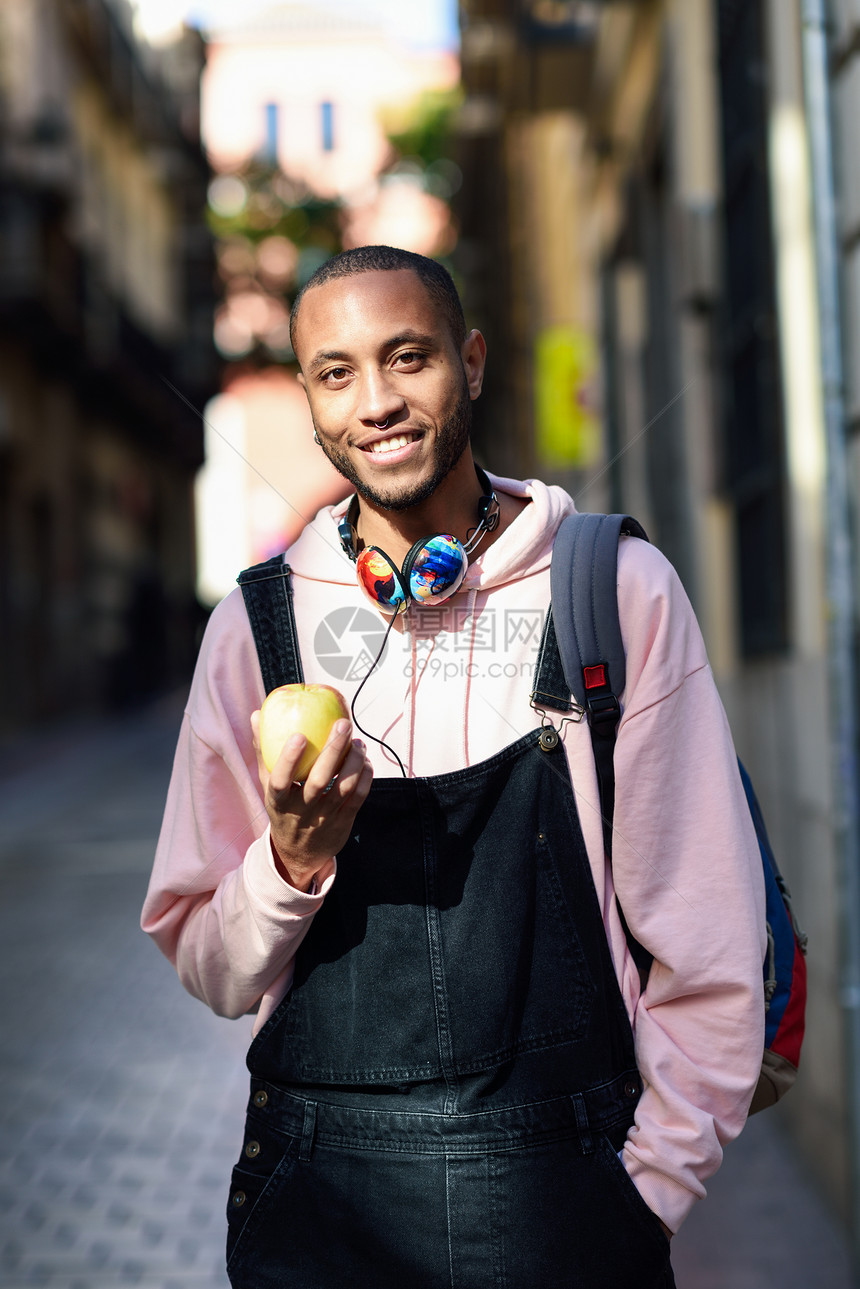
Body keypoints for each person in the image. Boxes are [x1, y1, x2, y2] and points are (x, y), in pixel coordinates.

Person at [142, 245, 765, 1288]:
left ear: (469, 363)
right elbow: (210, 964)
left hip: (565, 1202)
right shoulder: (255, 629)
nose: (376, 401)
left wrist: (646, 1192)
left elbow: (706, 943)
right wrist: (289, 862)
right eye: (335, 373)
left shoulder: (611, 592)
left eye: (407, 357)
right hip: (320, 1205)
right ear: (307, 401)